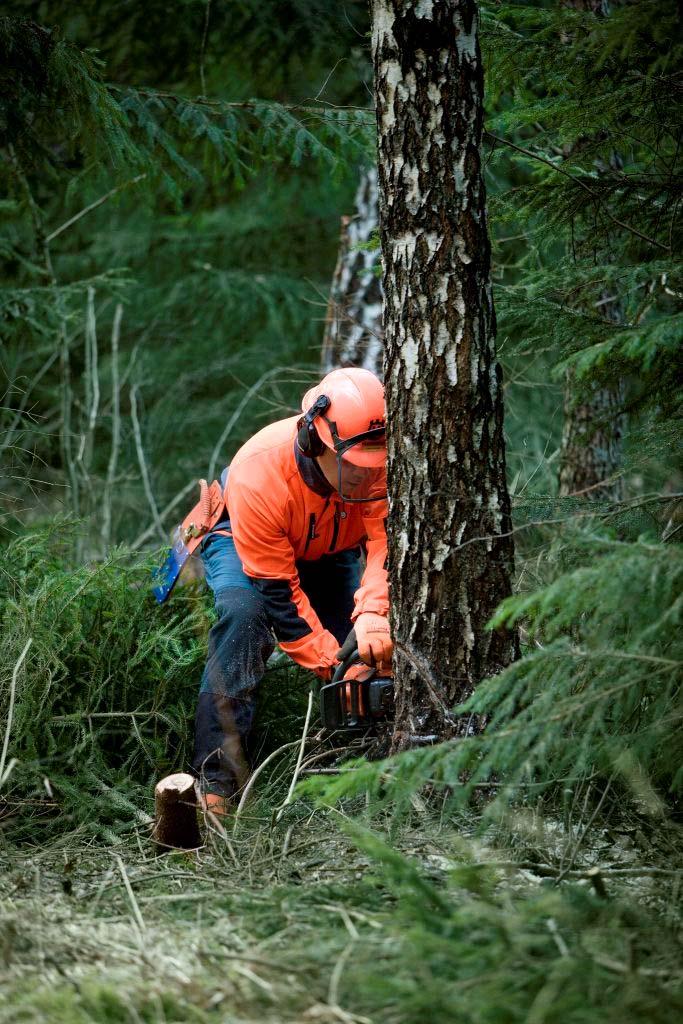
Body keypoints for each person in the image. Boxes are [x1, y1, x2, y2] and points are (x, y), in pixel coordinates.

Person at [190, 367, 393, 814]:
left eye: (375, 465)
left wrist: (374, 612)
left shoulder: (375, 460)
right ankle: (215, 781)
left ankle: (362, 765)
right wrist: (334, 665)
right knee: (245, 614)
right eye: (356, 467)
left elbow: (386, 544)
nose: (366, 478)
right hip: (245, 542)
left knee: (365, 648)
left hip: (329, 545)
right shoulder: (258, 474)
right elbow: (278, 594)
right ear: (317, 441)